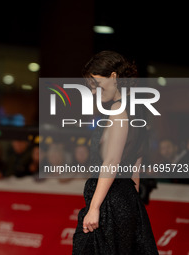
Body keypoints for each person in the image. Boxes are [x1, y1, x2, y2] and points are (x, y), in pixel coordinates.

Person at [72, 51, 158, 254]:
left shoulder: (118, 112)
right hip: (126, 201)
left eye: (96, 85)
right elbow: (136, 160)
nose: (93, 92)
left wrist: (94, 208)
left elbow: (111, 161)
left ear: (113, 77)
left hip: (109, 204)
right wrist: (132, 203)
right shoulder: (137, 110)